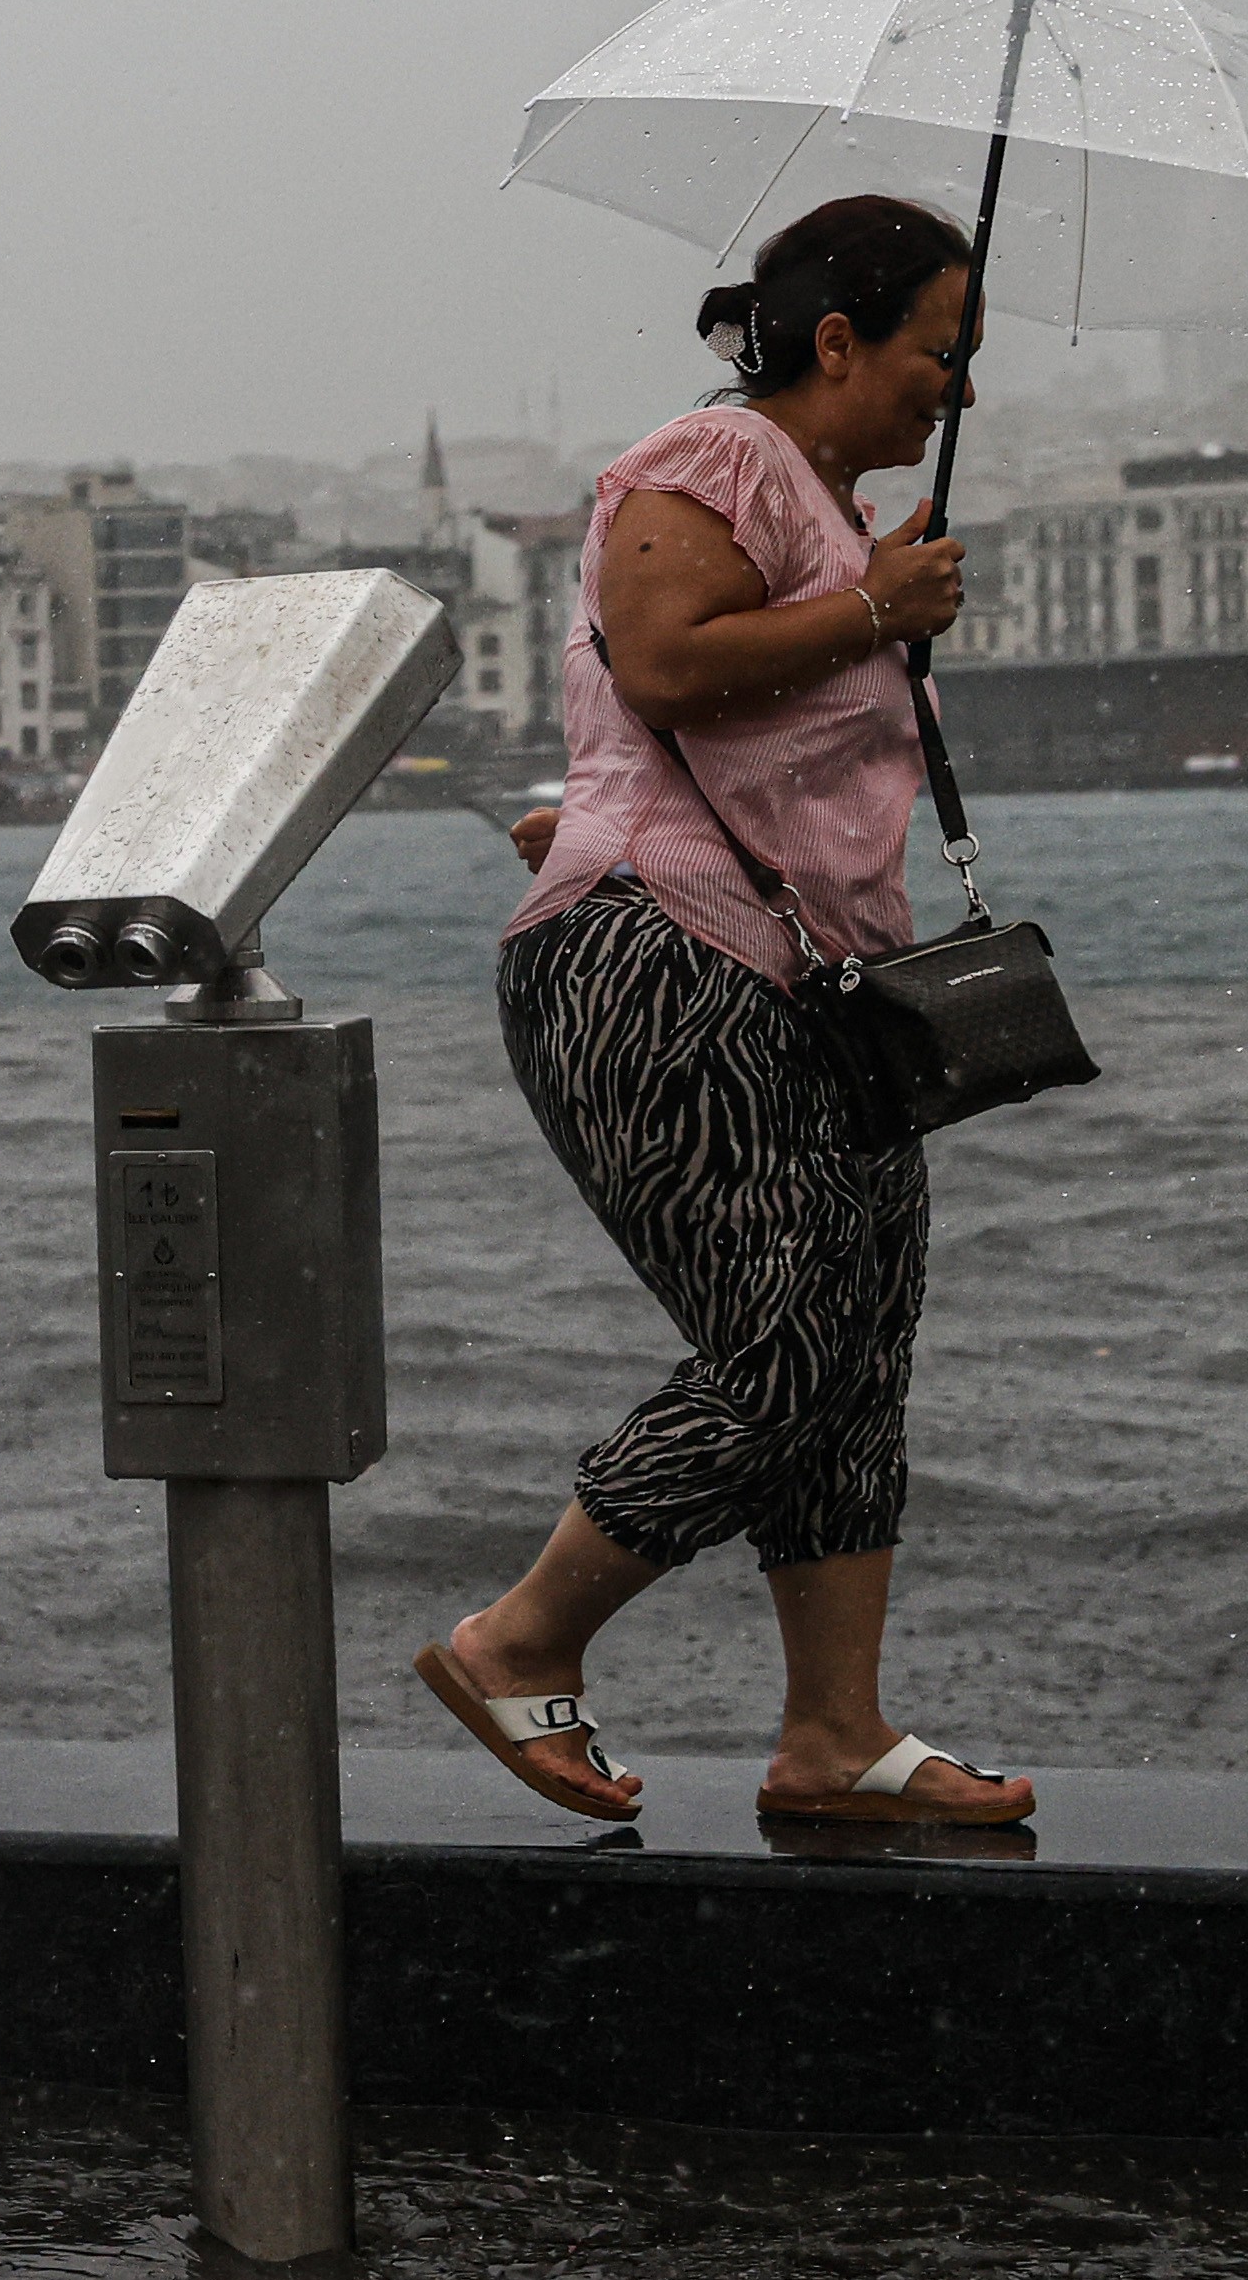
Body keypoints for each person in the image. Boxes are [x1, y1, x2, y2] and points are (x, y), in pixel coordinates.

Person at [416, 194, 1033, 1833]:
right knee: (790, 1338)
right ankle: (518, 1639)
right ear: (840, 339)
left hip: (818, 990)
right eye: (940, 351)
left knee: (863, 1342)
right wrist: (876, 617)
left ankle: (834, 1736)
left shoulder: (830, 506)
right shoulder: (719, 458)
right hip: (659, 959)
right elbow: (667, 663)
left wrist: (868, 601)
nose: (954, 391)